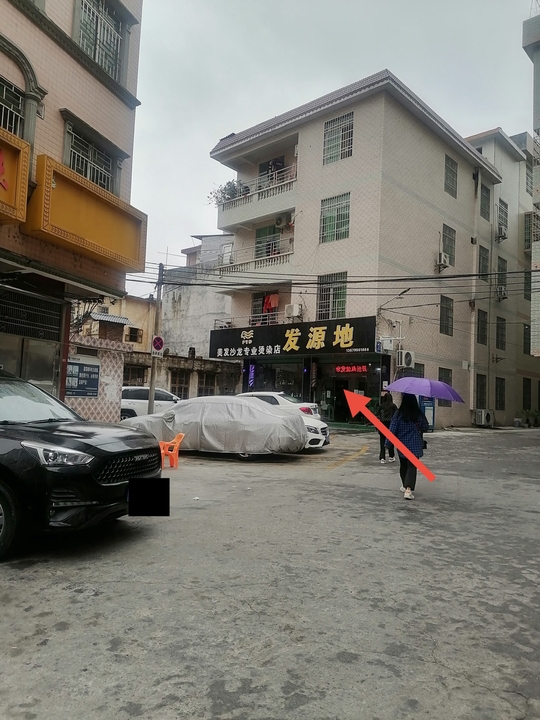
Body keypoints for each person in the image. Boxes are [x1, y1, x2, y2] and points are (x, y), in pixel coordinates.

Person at [387, 393, 428, 500]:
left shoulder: (398, 414)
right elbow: (425, 426)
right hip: (415, 444)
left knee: (404, 465)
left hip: (402, 444)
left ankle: (405, 486)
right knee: (412, 466)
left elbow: (392, 429)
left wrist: (387, 443)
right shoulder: (418, 413)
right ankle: (408, 490)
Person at [375, 393, 397, 464]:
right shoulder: (393, 406)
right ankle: (391, 456)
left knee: (382, 442)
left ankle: (382, 458)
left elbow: (376, 414)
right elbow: (397, 414)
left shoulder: (381, 406)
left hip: (382, 426)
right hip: (391, 426)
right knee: (391, 442)